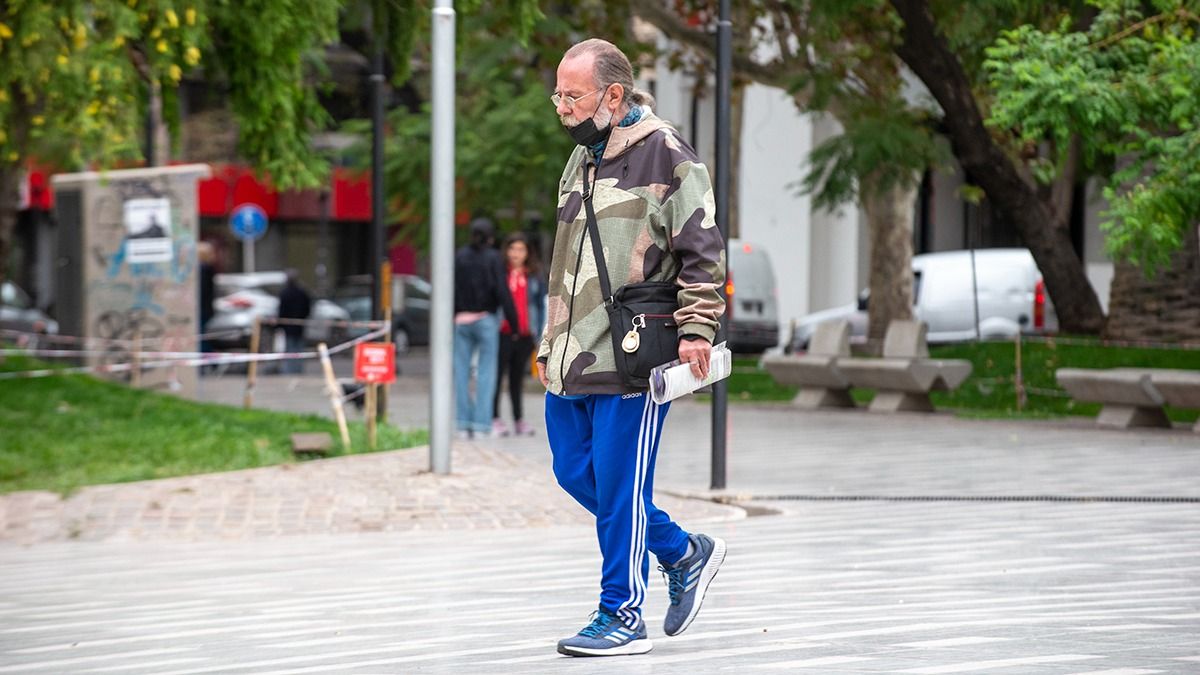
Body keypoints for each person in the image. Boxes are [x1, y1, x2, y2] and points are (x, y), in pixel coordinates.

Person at [536, 38, 728, 657]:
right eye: (558, 95)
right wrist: (548, 340)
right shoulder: (580, 158)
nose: (561, 108)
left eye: (573, 96)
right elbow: (565, 257)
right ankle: (681, 549)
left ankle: (621, 613)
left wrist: (698, 328)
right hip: (573, 354)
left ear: (613, 95)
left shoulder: (666, 153)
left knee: (620, 488)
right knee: (574, 471)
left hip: (635, 355)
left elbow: (703, 250)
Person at [454, 217, 518, 439]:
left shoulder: (460, 256)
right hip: (486, 320)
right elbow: (502, 290)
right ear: (491, 237)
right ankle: (482, 425)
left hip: (461, 321)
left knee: (461, 373)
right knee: (486, 373)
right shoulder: (493, 258)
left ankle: (463, 424)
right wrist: (515, 323)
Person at [492, 233, 547, 437]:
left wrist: (539, 333)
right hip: (503, 332)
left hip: (525, 334)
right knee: (497, 377)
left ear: (527, 253)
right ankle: (494, 417)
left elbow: (539, 307)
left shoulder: (532, 276)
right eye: (512, 249)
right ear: (506, 251)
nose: (516, 254)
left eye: (521, 249)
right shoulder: (500, 274)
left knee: (517, 378)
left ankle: (518, 419)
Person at [276, 269, 311, 375]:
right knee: (298, 347)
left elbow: (282, 310)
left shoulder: (285, 293)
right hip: (299, 324)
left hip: (289, 325)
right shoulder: (302, 292)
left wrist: (280, 323)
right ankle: (297, 369)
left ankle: (290, 370)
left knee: (290, 347)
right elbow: (307, 307)